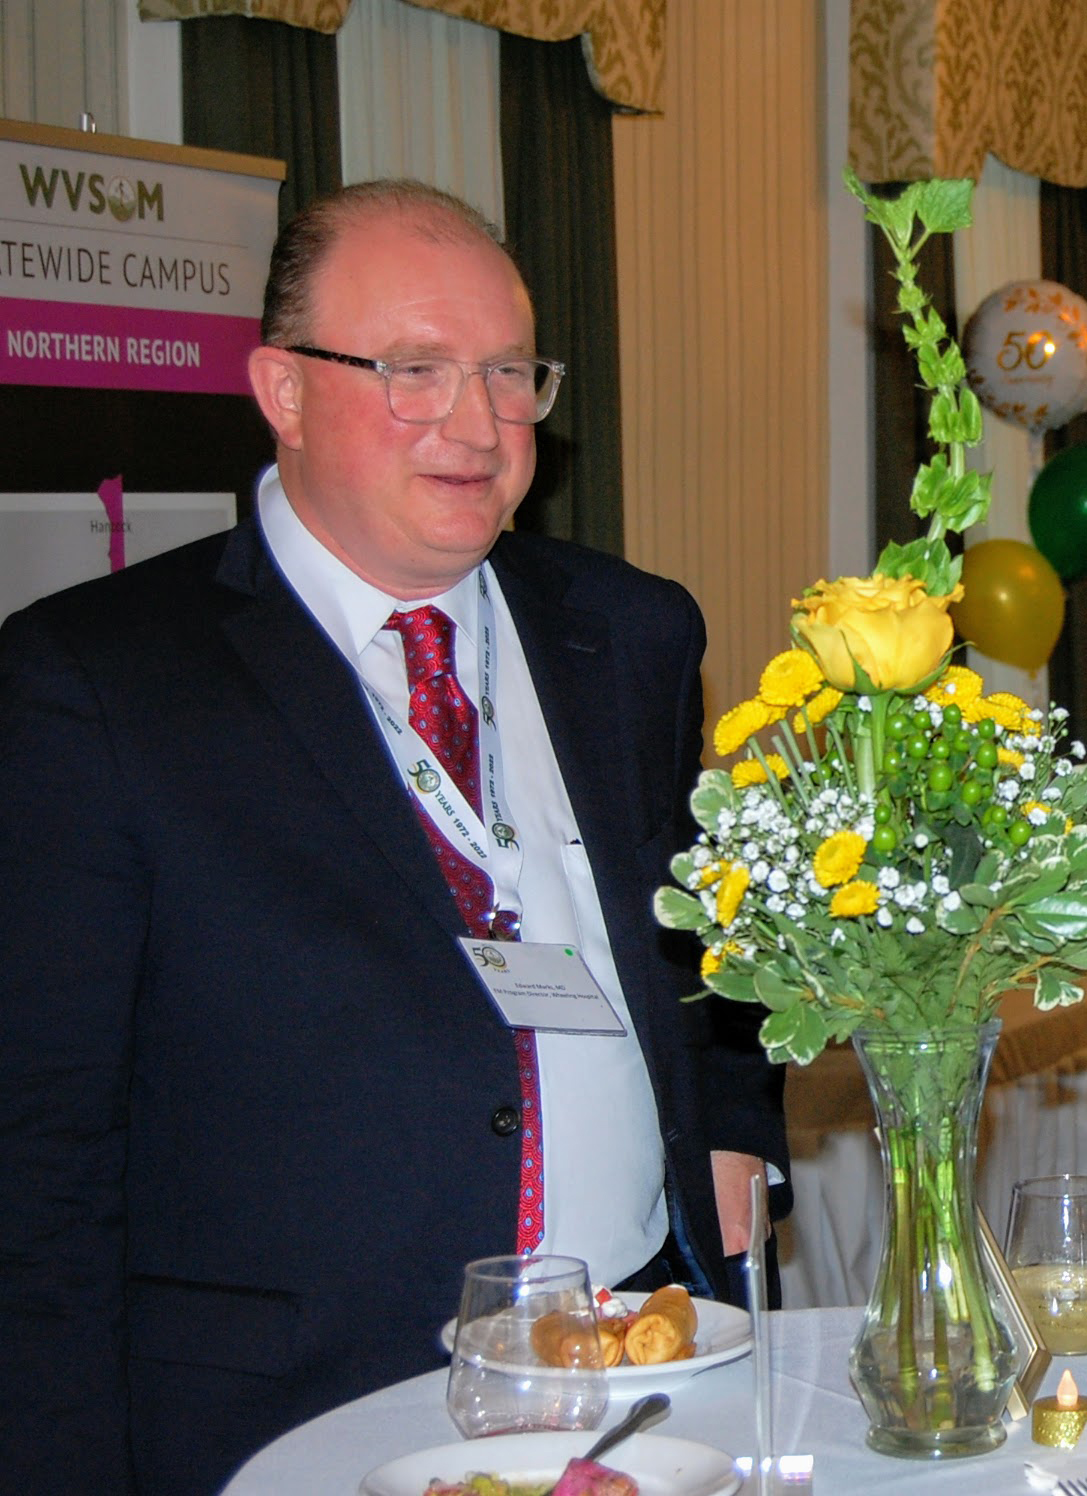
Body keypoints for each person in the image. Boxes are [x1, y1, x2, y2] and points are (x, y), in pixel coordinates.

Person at [0, 180, 787, 1494]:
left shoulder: (631, 632)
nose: (479, 426)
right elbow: (37, 1164)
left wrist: (732, 1120)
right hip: (291, 1412)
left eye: (508, 373)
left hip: (642, 1386)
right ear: (283, 389)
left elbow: (706, 933)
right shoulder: (98, 685)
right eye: (415, 370)